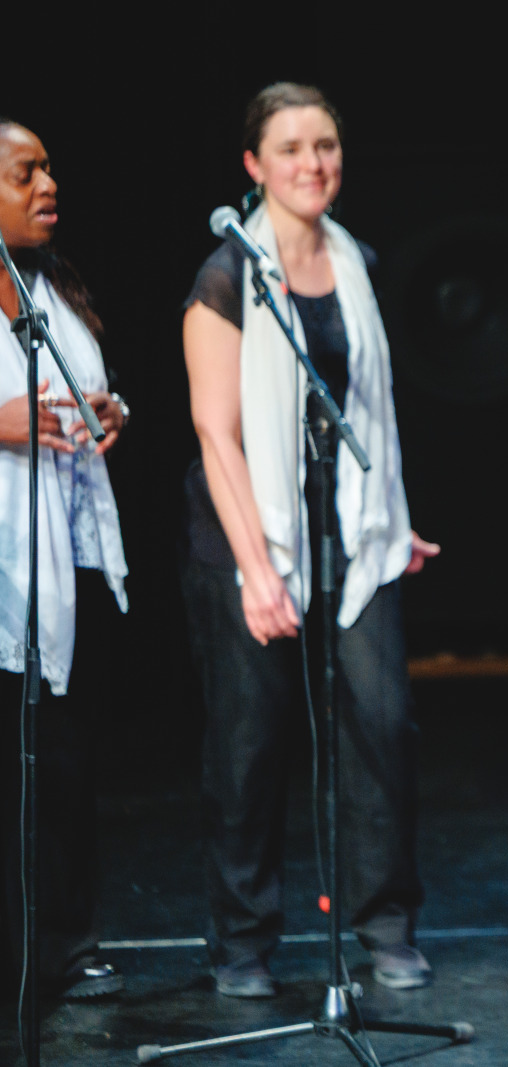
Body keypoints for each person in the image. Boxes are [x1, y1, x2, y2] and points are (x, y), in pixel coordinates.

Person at [180, 83, 439, 999]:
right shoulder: (226, 275)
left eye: (325, 145)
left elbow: (370, 408)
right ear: (254, 164)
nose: (312, 164)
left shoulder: (356, 260)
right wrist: (257, 571)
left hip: (352, 534)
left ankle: (386, 923)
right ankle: (242, 940)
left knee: (382, 727)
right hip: (248, 537)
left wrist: (392, 517)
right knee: (249, 748)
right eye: (290, 148)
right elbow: (217, 434)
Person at [0, 119, 131, 999]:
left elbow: (79, 391)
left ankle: (64, 945)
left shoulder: (49, 288)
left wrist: (109, 409)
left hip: (66, 559)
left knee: (65, 767)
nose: (48, 185)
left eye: (48, 169)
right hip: (6, 565)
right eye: (25, 173)